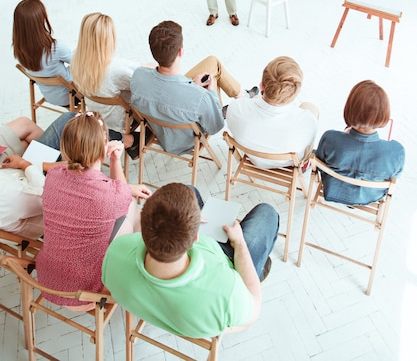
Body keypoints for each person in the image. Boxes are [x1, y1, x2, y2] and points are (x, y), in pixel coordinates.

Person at [102, 182, 279, 338]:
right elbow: (254, 308)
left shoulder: (115, 254)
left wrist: (182, 223)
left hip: (182, 250)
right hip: (228, 258)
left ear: (143, 230)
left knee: (188, 191)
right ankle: (257, 267)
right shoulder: (227, 294)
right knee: (267, 213)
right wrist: (239, 244)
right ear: (196, 238)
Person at [35, 112, 151, 308]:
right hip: (85, 292)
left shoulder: (53, 175)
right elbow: (123, 194)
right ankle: (144, 277)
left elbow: (116, 191)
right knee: (134, 215)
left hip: (47, 279)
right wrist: (115, 160)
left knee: (129, 214)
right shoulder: (109, 194)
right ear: (103, 147)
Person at [130, 20, 258, 156]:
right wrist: (211, 92)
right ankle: (238, 98)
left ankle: (241, 95)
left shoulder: (138, 77)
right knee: (211, 78)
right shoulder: (200, 97)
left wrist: (192, 87)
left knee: (212, 62)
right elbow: (216, 127)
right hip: (188, 140)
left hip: (164, 131)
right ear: (180, 52)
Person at [71, 12, 154, 159]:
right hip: (121, 119)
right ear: (108, 39)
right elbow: (142, 83)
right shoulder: (114, 71)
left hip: (98, 116)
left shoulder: (76, 61)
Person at [315, 80, 405, 205]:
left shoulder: (330, 138)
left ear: (349, 109)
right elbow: (395, 175)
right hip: (372, 196)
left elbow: (319, 161)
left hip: (333, 191)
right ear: (384, 115)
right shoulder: (396, 152)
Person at [226, 56, 319, 170]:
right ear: (295, 94)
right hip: (288, 162)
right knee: (310, 107)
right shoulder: (308, 122)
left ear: (261, 85)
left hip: (254, 159)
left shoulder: (236, 108)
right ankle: (304, 163)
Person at [0, 112, 75, 238]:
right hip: (43, 192)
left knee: (26, 138)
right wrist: (30, 164)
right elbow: (48, 198)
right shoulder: (11, 192)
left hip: (24, 176)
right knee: (68, 119)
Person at [12, 0, 74, 107]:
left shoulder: (19, 49)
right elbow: (80, 62)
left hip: (50, 96)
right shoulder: (55, 47)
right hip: (71, 96)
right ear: (41, 20)